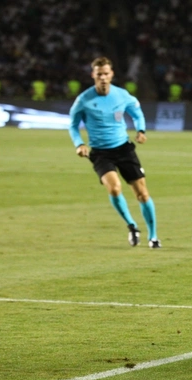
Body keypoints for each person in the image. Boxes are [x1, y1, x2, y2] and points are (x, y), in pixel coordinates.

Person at [69, 57, 160, 248]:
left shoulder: (122, 95)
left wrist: (141, 130)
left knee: (142, 193)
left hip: (123, 148)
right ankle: (132, 226)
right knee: (114, 188)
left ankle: (153, 236)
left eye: (106, 74)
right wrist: (79, 144)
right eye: (99, 74)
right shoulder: (83, 100)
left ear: (112, 75)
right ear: (93, 75)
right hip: (101, 153)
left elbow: (137, 113)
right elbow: (73, 125)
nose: (103, 77)